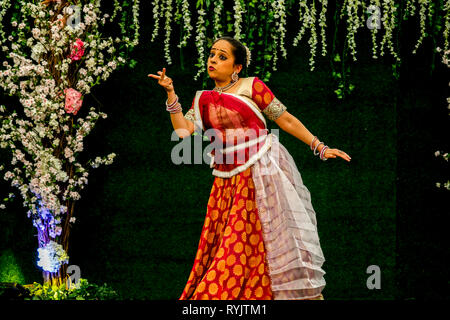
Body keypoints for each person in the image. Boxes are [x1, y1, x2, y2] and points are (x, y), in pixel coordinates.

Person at [148, 36, 351, 300]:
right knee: (236, 246)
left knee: (259, 242)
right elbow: (182, 131)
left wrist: (320, 146)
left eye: (223, 57)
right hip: (226, 183)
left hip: (260, 176)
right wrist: (171, 93)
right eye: (212, 55)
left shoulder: (251, 86)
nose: (213, 60)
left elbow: (285, 120)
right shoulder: (202, 100)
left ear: (237, 67)